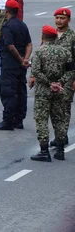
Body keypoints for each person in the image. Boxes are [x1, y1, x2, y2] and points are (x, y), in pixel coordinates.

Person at [29, 25, 72, 162]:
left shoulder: (40, 52)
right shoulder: (65, 52)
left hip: (43, 91)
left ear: (43, 36)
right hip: (59, 91)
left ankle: (44, 151)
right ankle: (60, 150)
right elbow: (71, 71)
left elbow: (36, 71)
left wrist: (49, 83)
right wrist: (59, 83)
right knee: (59, 119)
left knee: (41, 120)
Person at [0, 0, 32, 131]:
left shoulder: (7, 26)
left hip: (10, 65)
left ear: (6, 11)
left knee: (8, 92)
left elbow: (10, 46)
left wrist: (20, 60)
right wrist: (25, 60)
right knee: (21, 91)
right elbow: (29, 44)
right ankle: (19, 120)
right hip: (21, 67)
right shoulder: (22, 25)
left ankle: (8, 121)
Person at [54, 7, 75, 147]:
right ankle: (58, 136)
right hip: (52, 78)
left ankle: (62, 136)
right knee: (54, 109)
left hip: (67, 77)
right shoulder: (51, 34)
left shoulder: (72, 36)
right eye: (57, 18)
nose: (59, 21)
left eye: (62, 18)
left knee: (64, 108)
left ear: (68, 20)